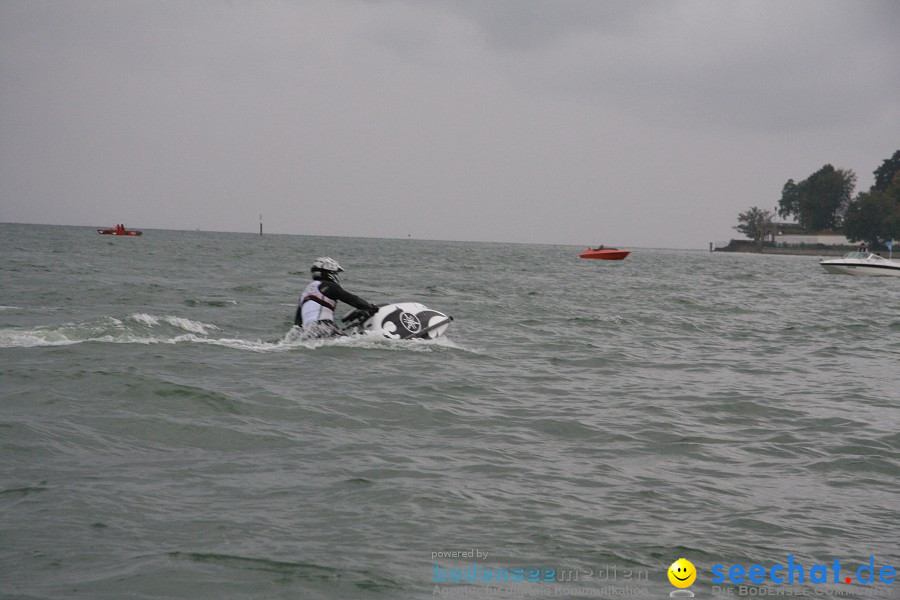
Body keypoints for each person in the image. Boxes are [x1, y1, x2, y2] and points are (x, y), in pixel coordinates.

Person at [294, 257, 378, 337]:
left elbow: (297, 323)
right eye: (335, 273)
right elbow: (352, 300)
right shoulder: (330, 286)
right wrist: (370, 307)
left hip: (307, 332)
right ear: (330, 273)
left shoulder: (305, 292)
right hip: (324, 327)